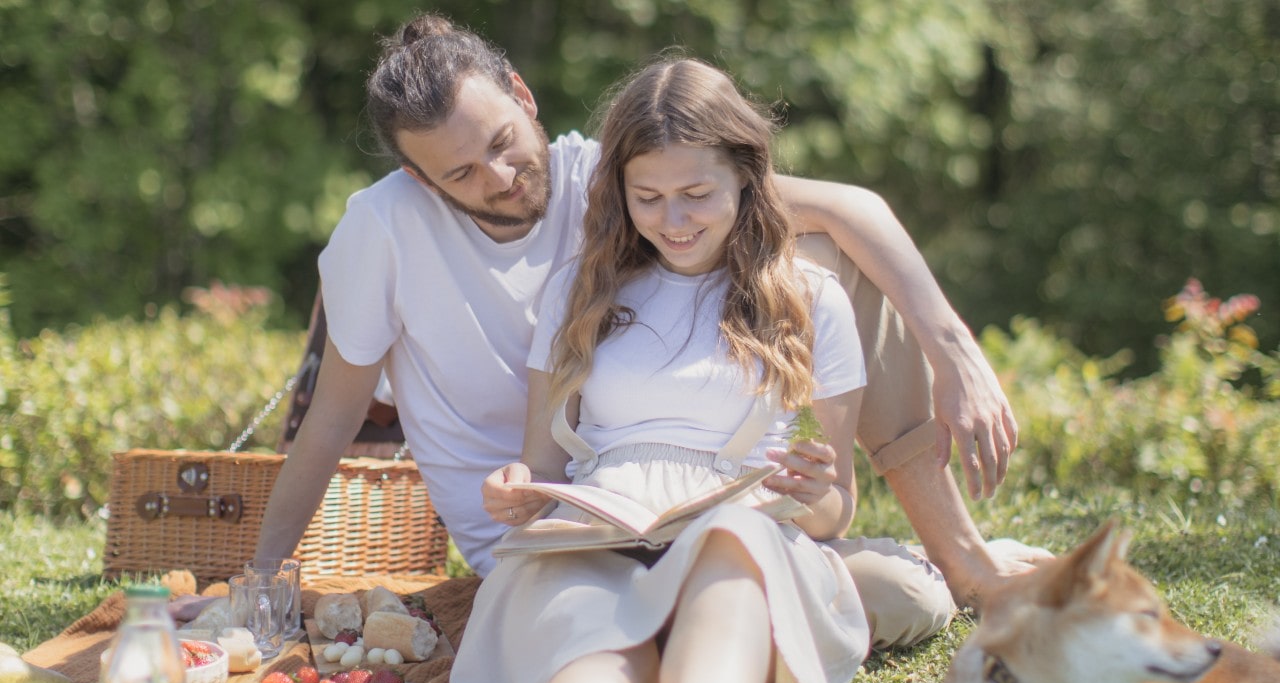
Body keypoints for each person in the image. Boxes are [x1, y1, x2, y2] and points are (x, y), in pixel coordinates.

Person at [252, 13, 1022, 645]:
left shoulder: (610, 177)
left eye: (501, 143)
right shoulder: (380, 228)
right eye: (459, 175)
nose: (498, 178)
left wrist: (953, 351)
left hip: (687, 495)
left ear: (522, 97)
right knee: (765, 601)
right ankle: (830, 584)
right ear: (419, 179)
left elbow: (852, 208)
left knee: (819, 251)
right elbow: (329, 423)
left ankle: (957, 559)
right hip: (549, 529)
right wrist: (256, 588)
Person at [456, 56, 873, 683]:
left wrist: (813, 486)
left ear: (748, 178)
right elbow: (540, 469)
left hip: (740, 526)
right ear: (619, 191)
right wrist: (517, 489)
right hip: (602, 522)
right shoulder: (583, 286)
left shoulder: (810, 296)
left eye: (696, 195)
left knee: (736, 545)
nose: (673, 220)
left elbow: (834, 507)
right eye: (647, 198)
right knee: (578, 609)